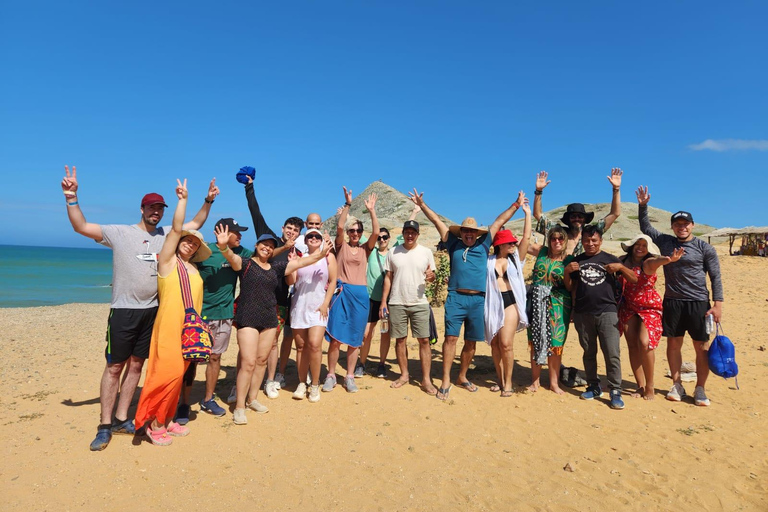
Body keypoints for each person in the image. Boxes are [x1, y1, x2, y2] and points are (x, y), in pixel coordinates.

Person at [61, 165, 217, 451]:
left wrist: (207, 200)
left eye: (160, 208)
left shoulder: (169, 234)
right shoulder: (120, 232)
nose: (156, 212)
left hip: (153, 311)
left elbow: (194, 223)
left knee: (136, 367)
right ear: (142, 209)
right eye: (152, 207)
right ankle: (105, 425)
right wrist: (72, 197)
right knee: (114, 367)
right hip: (124, 308)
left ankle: (123, 418)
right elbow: (81, 227)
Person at [409, 189, 526, 401]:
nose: (469, 234)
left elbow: (499, 221)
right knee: (450, 339)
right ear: (461, 232)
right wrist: (422, 205)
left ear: (477, 233)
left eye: (472, 231)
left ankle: (462, 376)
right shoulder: (453, 242)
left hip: (479, 300)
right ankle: (446, 380)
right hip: (455, 297)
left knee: (471, 343)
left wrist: (516, 205)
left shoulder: (484, 244)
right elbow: (437, 222)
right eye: (465, 231)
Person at [214, 226, 331, 425]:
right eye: (264, 245)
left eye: (270, 246)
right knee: (248, 362)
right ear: (257, 245)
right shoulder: (246, 264)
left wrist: (321, 254)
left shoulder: (277, 268)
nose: (267, 248)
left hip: (269, 318)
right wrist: (224, 246)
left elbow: (303, 261)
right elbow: (231, 258)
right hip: (247, 318)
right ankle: (240, 406)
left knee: (261, 361)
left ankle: (252, 399)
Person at [134, 179, 213, 445]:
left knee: (180, 375)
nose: (189, 244)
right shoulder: (168, 261)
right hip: (169, 326)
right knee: (166, 373)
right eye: (186, 240)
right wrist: (182, 200)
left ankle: (166, 420)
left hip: (189, 328)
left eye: (194, 243)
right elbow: (177, 227)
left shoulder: (194, 269)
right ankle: (154, 424)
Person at [637, 186, 724, 406]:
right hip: (673, 302)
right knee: (674, 344)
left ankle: (700, 389)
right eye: (677, 224)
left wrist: (718, 305)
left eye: (685, 224)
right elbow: (646, 227)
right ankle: (677, 384)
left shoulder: (705, 248)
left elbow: (715, 277)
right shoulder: (666, 242)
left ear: (692, 225)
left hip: (699, 304)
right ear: (673, 227)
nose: (682, 227)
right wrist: (643, 205)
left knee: (701, 346)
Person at [175, 218, 252, 424]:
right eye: (237, 232)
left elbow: (266, 255)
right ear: (223, 232)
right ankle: (183, 402)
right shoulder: (203, 251)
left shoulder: (241, 252)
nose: (241, 236)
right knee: (190, 360)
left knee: (215, 358)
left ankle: (208, 398)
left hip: (225, 315)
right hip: (200, 315)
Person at [564, 225, 638, 410]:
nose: (590, 244)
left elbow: (634, 279)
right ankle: (593, 386)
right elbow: (569, 287)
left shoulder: (610, 259)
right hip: (582, 312)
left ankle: (615, 390)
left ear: (600, 241)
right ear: (582, 242)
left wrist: (620, 266)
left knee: (612, 353)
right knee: (589, 352)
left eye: (594, 240)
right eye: (587, 241)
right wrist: (567, 271)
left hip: (607, 311)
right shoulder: (576, 261)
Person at [244, 175, 303, 398]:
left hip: (278, 302)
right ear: (283, 228)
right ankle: (242, 382)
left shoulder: (297, 254)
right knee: (249, 344)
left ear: (299, 235)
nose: (291, 232)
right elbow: (255, 212)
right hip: (253, 301)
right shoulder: (269, 242)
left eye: (295, 230)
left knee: (272, 343)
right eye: (289, 228)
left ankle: (269, 380)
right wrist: (249, 187)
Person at [324, 187, 380, 393]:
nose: (354, 234)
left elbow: (376, 232)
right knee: (336, 339)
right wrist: (348, 205)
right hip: (341, 294)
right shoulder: (341, 246)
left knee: (356, 339)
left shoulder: (366, 248)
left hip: (360, 296)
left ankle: (349, 376)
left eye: (358, 231)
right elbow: (339, 227)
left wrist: (372, 210)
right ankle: (330, 374)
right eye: (352, 231)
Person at [617, 234, 683, 400]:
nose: (640, 248)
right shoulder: (622, 261)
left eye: (644, 246)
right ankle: (640, 385)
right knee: (632, 344)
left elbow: (656, 262)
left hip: (649, 307)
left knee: (645, 343)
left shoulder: (648, 262)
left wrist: (668, 260)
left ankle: (650, 385)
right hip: (628, 306)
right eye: (637, 244)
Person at [379, 220, 437, 394]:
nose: (410, 235)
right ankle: (404, 375)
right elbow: (388, 278)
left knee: (424, 340)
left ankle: (426, 380)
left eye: (413, 232)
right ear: (403, 233)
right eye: (407, 232)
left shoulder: (426, 252)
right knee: (400, 339)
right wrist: (384, 301)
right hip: (397, 301)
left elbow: (432, 275)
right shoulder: (393, 252)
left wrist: (431, 276)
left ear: (418, 234)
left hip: (419, 302)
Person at [484, 201, 531, 397]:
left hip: (510, 302)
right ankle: (500, 379)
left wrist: (527, 214)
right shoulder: (489, 261)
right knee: (495, 344)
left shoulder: (515, 259)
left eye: (513, 242)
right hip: (493, 303)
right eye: (510, 243)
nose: (514, 244)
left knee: (505, 343)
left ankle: (509, 383)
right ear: (500, 244)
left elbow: (526, 238)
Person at [289, 229, 337, 402]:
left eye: (317, 236)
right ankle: (302, 383)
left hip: (318, 308)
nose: (314, 239)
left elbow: (333, 281)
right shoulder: (299, 258)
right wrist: (292, 265)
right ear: (306, 239)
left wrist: (325, 303)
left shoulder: (328, 257)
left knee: (315, 345)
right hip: (299, 307)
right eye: (310, 236)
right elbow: (291, 281)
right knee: (301, 347)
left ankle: (315, 384)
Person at [525, 225, 574, 394]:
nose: (557, 241)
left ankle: (554, 383)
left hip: (559, 305)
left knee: (556, 343)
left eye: (560, 238)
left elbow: (570, 286)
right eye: (553, 238)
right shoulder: (542, 252)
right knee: (536, 340)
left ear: (565, 240)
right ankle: (535, 381)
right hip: (537, 302)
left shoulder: (569, 260)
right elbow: (522, 243)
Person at [533, 168, 623, 256]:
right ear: (568, 219)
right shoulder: (559, 233)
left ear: (585, 219)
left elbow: (615, 213)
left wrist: (616, 189)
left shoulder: (592, 233)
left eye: (580, 216)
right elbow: (538, 215)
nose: (577, 219)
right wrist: (539, 191)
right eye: (573, 217)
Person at [361, 227, 393, 379]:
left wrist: (414, 211)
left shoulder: (393, 253)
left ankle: (381, 364)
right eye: (379, 237)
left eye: (385, 237)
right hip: (371, 298)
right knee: (366, 334)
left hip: (387, 301)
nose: (382, 240)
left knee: (385, 333)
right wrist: (347, 213)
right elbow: (358, 234)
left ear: (389, 238)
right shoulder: (371, 251)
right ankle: (361, 363)